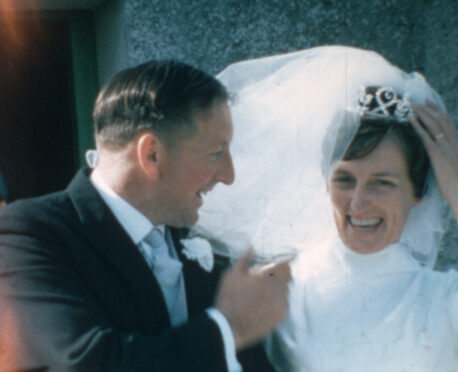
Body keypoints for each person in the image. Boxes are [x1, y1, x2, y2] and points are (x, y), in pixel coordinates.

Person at [192, 46, 458, 371]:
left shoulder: (447, 299)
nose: (358, 203)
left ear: (418, 193)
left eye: (382, 183)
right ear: (324, 183)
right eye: (344, 179)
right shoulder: (281, 287)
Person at [0, 60, 291, 372]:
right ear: (151, 154)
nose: (229, 176)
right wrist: (230, 326)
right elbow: (90, 363)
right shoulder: (28, 233)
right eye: (216, 154)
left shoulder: (207, 244)